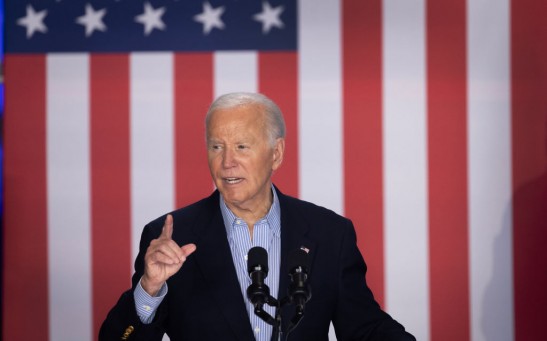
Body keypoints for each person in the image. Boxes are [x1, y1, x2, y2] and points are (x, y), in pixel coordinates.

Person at [99, 92, 415, 341]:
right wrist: (150, 287)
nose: (227, 163)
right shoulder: (170, 236)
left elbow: (365, 329)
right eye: (216, 147)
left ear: (275, 153)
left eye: (241, 146)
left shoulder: (329, 234)